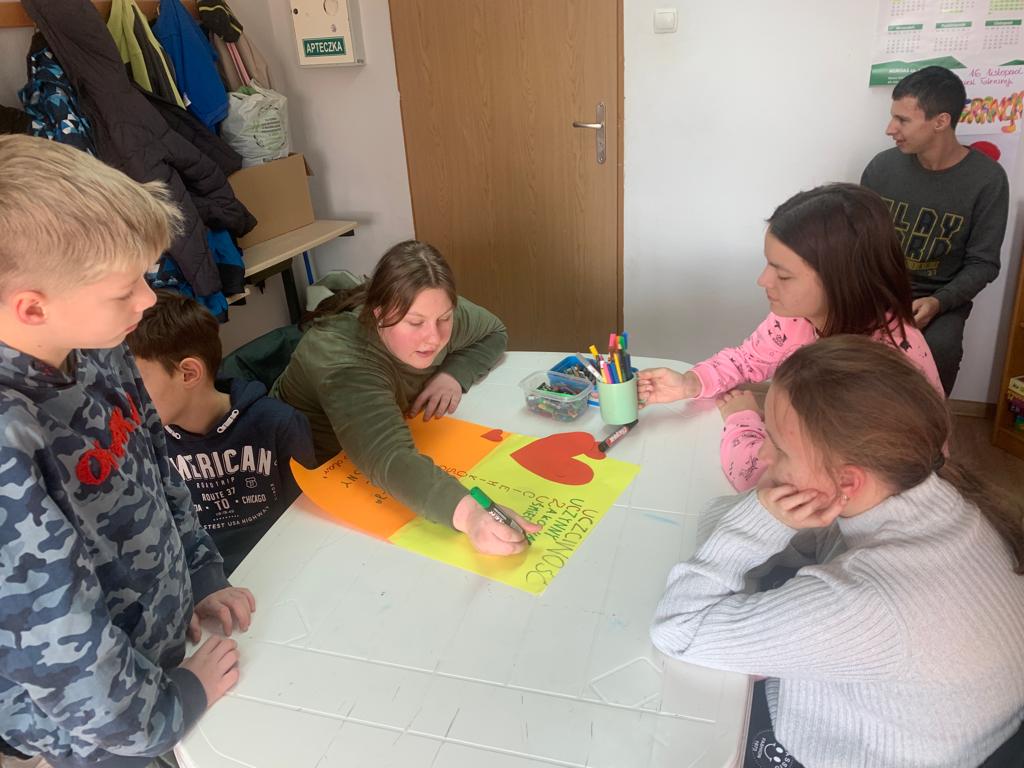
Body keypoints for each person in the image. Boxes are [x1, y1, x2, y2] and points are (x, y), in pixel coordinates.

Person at [651, 335, 1024, 768]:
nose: (764, 455)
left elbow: (678, 628)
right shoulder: (929, 496)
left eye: (779, 445)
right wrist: (769, 517)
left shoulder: (863, 607)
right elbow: (728, 520)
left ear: (847, 482)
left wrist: (761, 519)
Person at [0, 134, 254, 768]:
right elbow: (59, 646)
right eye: (123, 290)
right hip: (104, 725)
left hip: (162, 648)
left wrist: (199, 575)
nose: (148, 300)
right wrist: (173, 705)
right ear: (32, 308)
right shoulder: (10, 438)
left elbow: (156, 470)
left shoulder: (99, 343)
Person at [638, 183, 942, 492]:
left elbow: (769, 482)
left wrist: (742, 420)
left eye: (783, 275)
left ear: (842, 281)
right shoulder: (796, 317)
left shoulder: (880, 372)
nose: (763, 280)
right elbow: (747, 359)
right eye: (768, 264)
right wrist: (689, 383)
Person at [272, 240, 539, 555]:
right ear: (379, 313)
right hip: (305, 480)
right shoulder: (343, 359)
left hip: (377, 448)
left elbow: (494, 332)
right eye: (415, 323)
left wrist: (454, 374)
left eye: (445, 319)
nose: (434, 337)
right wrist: (470, 515)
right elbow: (389, 457)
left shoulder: (430, 309)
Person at [128, 291, 315, 575]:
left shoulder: (280, 424)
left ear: (189, 373)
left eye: (134, 381)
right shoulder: (144, 444)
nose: (124, 397)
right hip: (201, 580)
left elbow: (305, 519)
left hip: (282, 569)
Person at [861, 65, 1009, 396]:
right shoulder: (882, 168)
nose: (890, 129)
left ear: (940, 121)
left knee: (940, 349)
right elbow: (857, 239)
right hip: (877, 290)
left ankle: (928, 425)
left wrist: (938, 302)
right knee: (839, 340)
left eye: (902, 120)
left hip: (939, 300)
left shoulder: (987, 180)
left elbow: (984, 263)